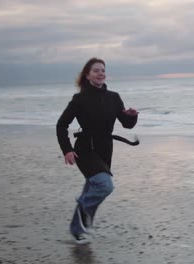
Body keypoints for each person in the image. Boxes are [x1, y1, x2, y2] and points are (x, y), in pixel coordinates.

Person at [56, 58, 139, 244]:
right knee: (104, 186)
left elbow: (126, 124)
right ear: (87, 75)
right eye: (96, 70)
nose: (100, 73)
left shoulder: (114, 97)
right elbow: (61, 125)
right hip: (84, 150)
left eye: (102, 70)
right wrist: (67, 150)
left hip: (105, 149)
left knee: (94, 187)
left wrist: (132, 117)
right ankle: (83, 206)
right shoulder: (79, 99)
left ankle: (78, 231)